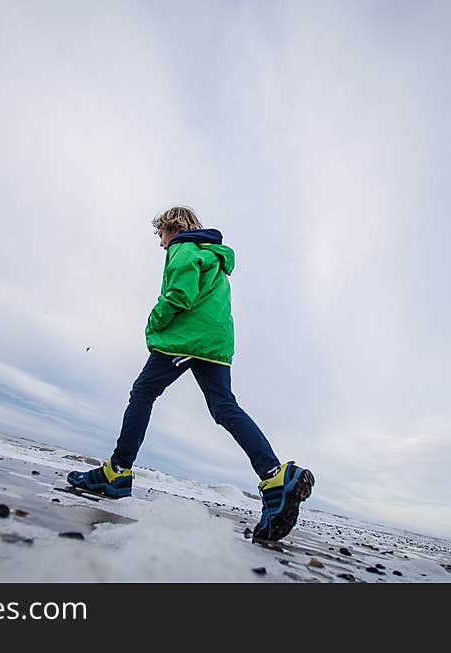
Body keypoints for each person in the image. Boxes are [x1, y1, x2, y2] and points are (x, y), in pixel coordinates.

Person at [68, 206, 314, 541]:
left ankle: (116, 472)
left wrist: (153, 324)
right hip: (216, 342)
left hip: (188, 338)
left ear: (173, 227)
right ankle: (274, 477)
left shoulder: (183, 248)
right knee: (224, 407)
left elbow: (179, 296)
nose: (161, 244)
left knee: (143, 392)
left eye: (161, 235)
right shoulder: (215, 259)